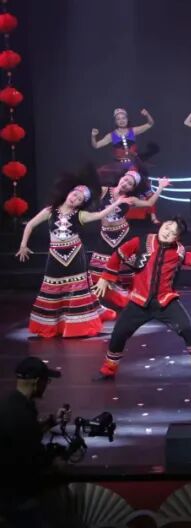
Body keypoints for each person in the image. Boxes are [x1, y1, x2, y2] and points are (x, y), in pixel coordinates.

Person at [93, 219, 191, 379]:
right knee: (119, 333)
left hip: (165, 301)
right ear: (161, 226)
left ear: (177, 238)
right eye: (166, 228)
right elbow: (119, 254)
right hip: (139, 301)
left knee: (188, 329)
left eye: (173, 233)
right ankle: (108, 370)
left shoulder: (180, 251)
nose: (167, 233)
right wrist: (105, 277)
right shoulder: (142, 241)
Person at [18, 179, 129, 337]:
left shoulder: (80, 215)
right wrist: (23, 245)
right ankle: (53, 325)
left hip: (75, 255)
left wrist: (116, 202)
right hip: (55, 256)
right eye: (74, 194)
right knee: (53, 288)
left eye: (79, 199)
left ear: (81, 204)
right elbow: (30, 224)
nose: (75, 199)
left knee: (76, 290)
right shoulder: (50, 211)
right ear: (69, 193)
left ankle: (78, 326)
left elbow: (100, 215)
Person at [87, 172, 170, 311]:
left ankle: (131, 300)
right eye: (125, 180)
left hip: (122, 234)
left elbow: (149, 203)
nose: (126, 184)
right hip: (106, 235)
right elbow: (87, 193)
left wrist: (160, 187)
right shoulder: (104, 190)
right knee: (97, 271)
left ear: (132, 188)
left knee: (126, 271)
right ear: (121, 178)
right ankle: (109, 300)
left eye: (130, 184)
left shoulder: (130, 199)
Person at [0, 358, 63, 526]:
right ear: (37, 381)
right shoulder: (21, 413)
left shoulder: (13, 404)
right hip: (16, 498)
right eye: (46, 381)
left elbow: (26, 434)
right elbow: (32, 456)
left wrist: (51, 422)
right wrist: (55, 459)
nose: (46, 386)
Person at [90, 107, 154, 173]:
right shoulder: (111, 136)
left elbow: (150, 124)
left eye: (123, 118)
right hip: (119, 166)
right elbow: (96, 145)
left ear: (127, 119)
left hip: (134, 164)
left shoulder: (133, 131)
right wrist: (93, 136)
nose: (121, 121)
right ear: (115, 122)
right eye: (118, 119)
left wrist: (147, 114)